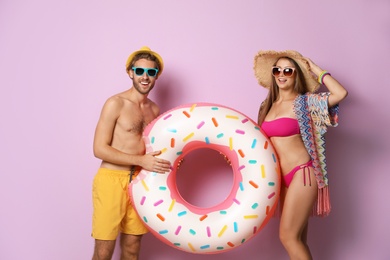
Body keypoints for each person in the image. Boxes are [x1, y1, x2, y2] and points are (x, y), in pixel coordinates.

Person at [253, 50, 348, 259]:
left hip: (302, 175)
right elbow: (258, 144)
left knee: (288, 236)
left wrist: (313, 68)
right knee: (298, 240)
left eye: (288, 70)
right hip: (282, 181)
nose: (282, 74)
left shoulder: (305, 103)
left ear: (297, 75)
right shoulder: (266, 107)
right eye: (277, 70)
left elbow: (340, 94)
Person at [91, 46, 171, 260]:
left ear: (156, 76)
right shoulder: (115, 103)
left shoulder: (154, 110)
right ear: (130, 72)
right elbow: (99, 148)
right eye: (140, 71)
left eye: (151, 73)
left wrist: (170, 161)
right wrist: (140, 160)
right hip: (111, 180)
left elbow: (152, 149)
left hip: (139, 183)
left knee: (132, 248)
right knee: (104, 251)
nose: (145, 77)